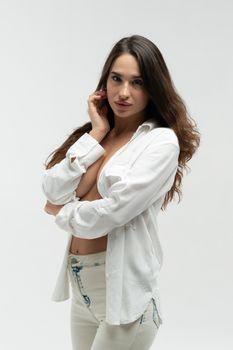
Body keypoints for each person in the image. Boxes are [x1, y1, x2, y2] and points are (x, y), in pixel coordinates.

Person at [42, 34, 200, 350]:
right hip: (82, 288)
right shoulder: (97, 135)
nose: (124, 92)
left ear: (153, 89)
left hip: (125, 298)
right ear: (105, 82)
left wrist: (63, 212)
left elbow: (114, 211)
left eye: (137, 83)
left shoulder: (160, 143)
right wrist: (97, 132)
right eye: (117, 79)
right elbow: (52, 187)